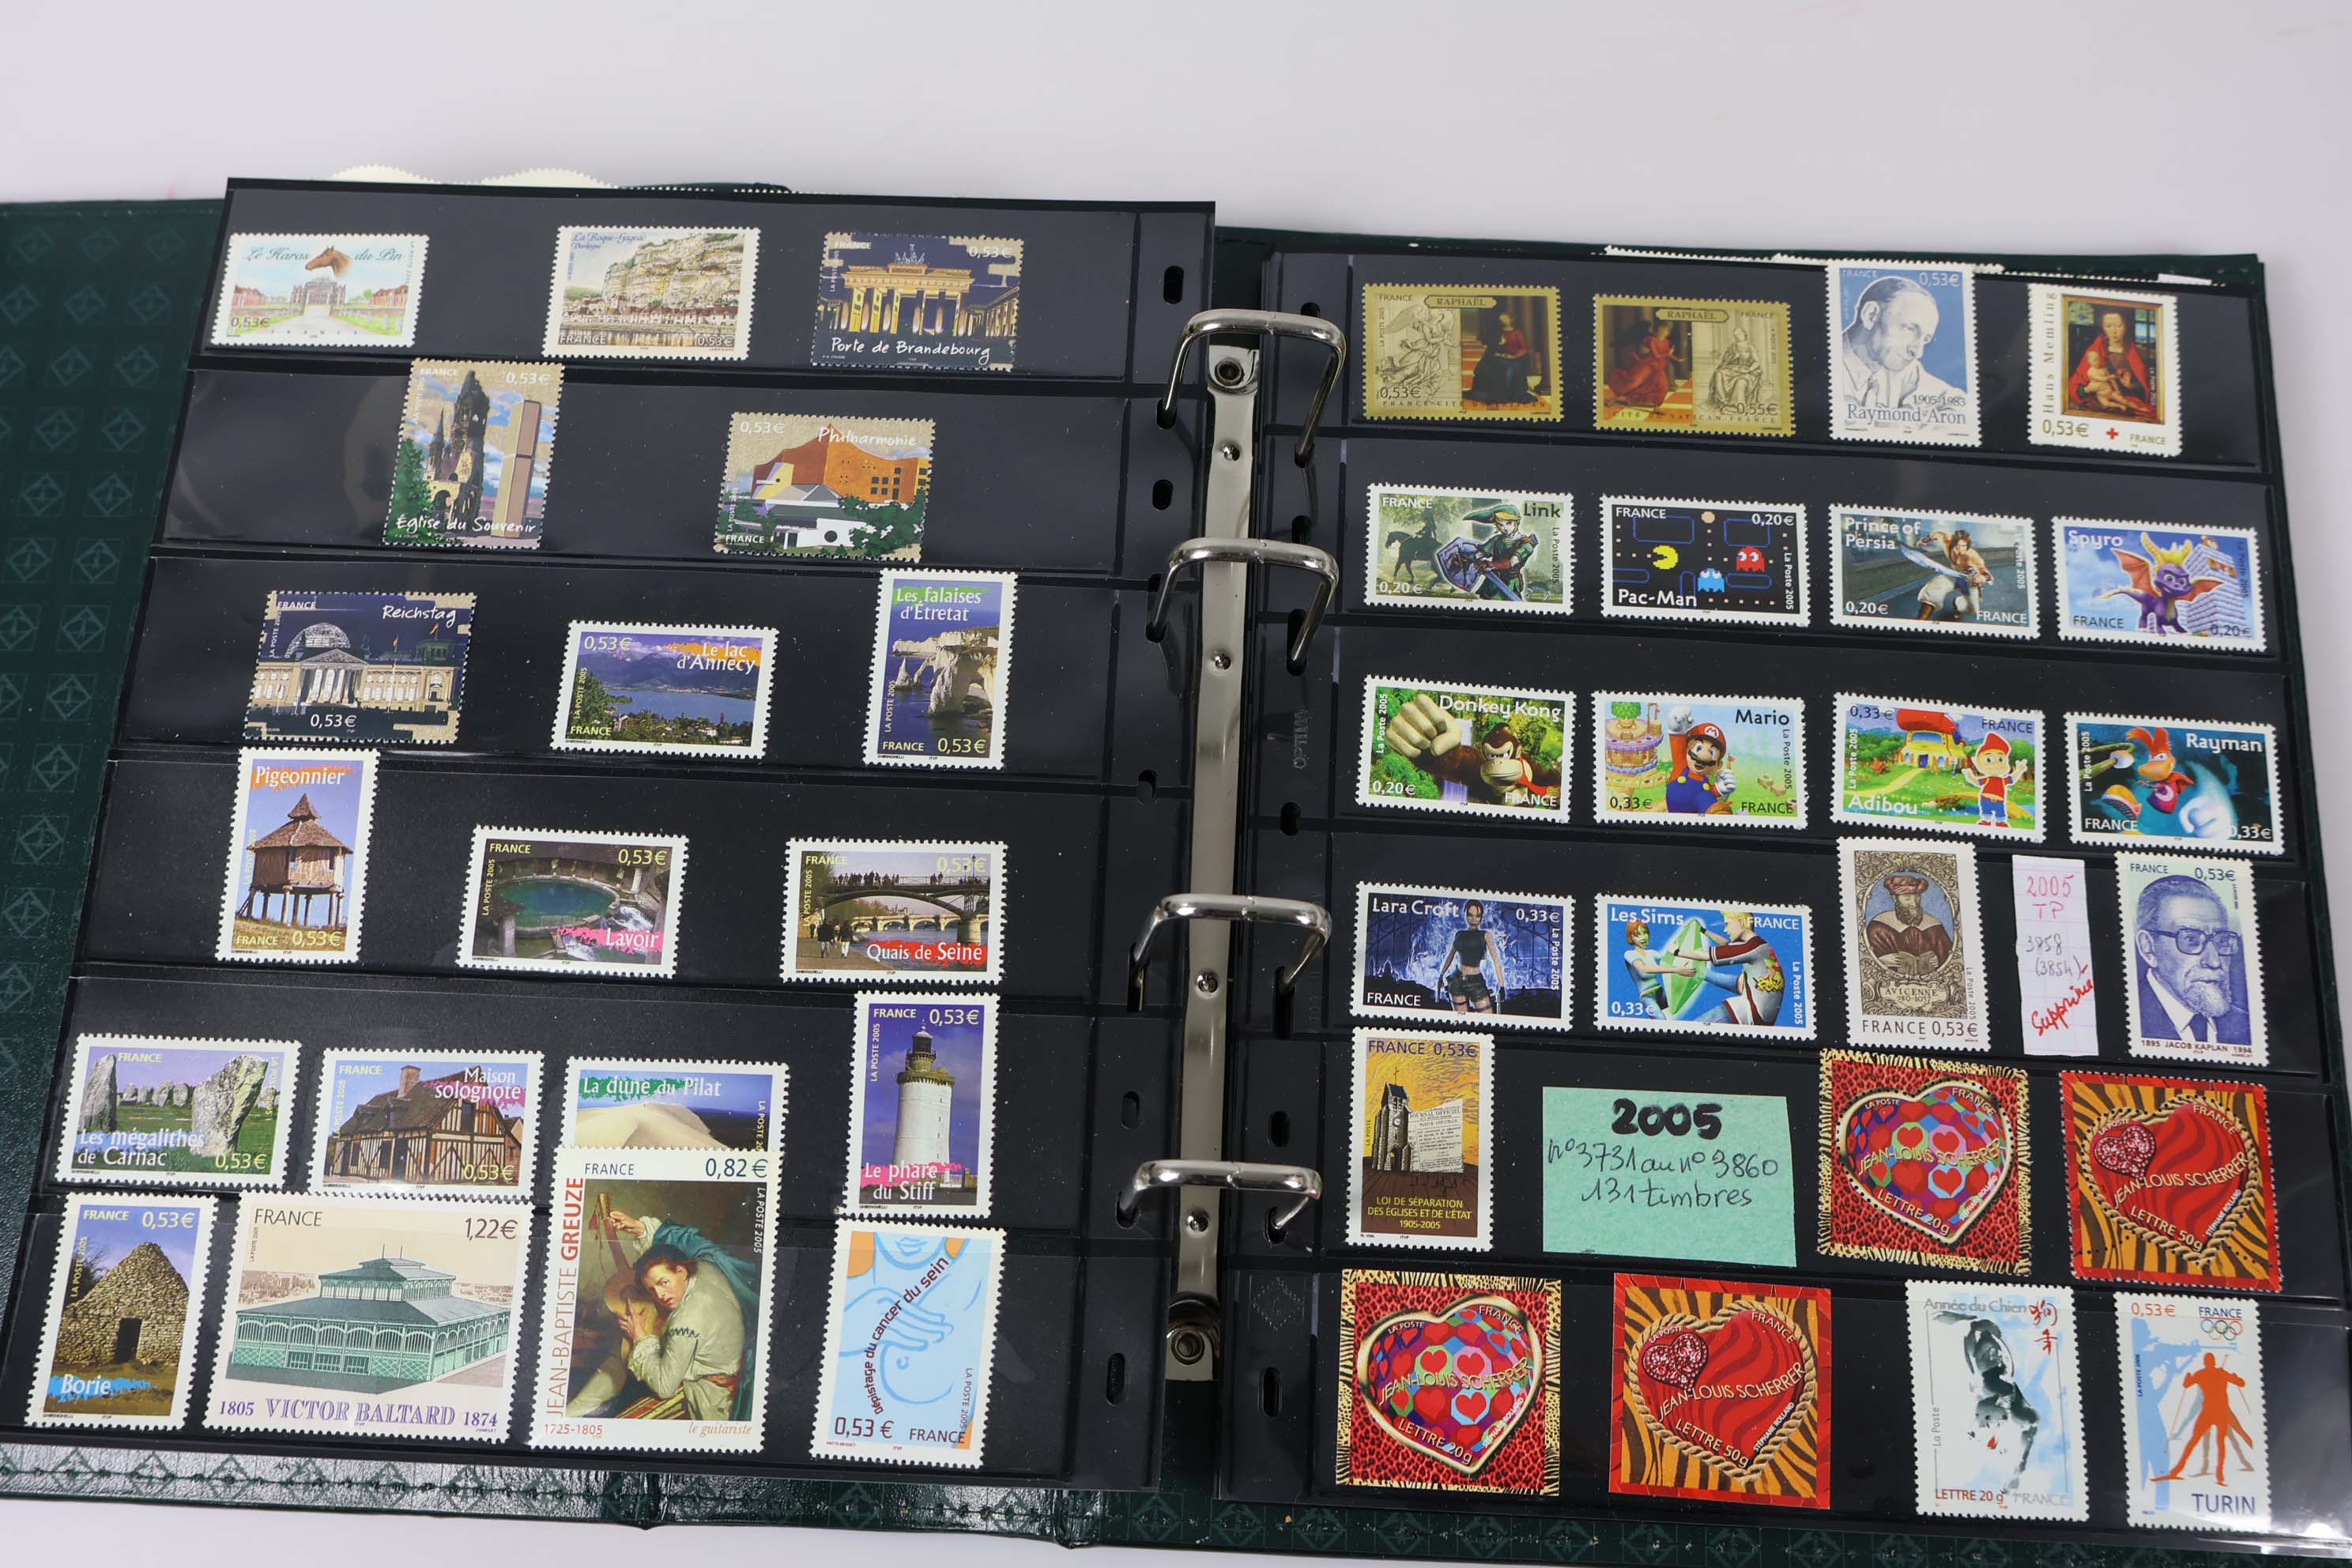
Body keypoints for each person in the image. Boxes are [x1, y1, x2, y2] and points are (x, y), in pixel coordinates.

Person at [565, 1208, 757, 1423]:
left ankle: (573, 1418)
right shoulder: (706, 1264)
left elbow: (665, 1387)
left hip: (711, 1392)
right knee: (624, 1347)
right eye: (652, 1289)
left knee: (627, 1420)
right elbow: (691, 1241)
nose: (660, 1295)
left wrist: (640, 1338)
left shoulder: (685, 1321)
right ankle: (572, 1412)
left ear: (681, 1272)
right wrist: (642, 1228)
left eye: (663, 1283)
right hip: (705, 1348)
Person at [2134, 874, 2252, 1048]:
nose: (2214, 961)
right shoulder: (2129, 1019)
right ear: (2149, 948)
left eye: (2221, 940)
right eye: (2191, 940)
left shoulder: (2247, 1024)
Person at [1934, 1310, 2041, 1489]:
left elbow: (2027, 1425)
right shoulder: (1994, 1386)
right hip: (1992, 1383)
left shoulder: (1994, 1390)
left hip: (1993, 1386)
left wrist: (2018, 1469)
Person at [1838, 273, 1960, 410]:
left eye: (1926, 339)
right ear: (1871, 315)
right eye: (1909, 329)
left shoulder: (1905, 370)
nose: (1918, 353)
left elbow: (1960, 403)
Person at [2156, 1351, 2255, 1486]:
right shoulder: (2221, 1373)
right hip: (2221, 1412)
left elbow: (2186, 1384)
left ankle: (2177, 1471)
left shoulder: (2201, 1374)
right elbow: (2241, 1383)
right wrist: (2235, 1377)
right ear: (2213, 1362)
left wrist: (2188, 1377)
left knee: (2194, 1441)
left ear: (2205, 1363)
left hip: (2208, 1412)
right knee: (2220, 1443)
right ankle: (2219, 1476)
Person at [1690, 910, 1785, 1027]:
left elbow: (1707, 956)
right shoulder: (1759, 944)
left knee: (1696, 1026)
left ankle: (1698, 971)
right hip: (1758, 996)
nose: (1726, 930)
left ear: (1740, 922)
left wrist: (1677, 952)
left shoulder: (1752, 947)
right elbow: (1727, 945)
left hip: (1753, 1014)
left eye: (1728, 924)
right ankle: (1701, 972)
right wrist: (1703, 930)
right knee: (1736, 980)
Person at [2067, 307, 2156, 418]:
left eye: (2119, 326)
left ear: (2126, 326)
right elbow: (2075, 384)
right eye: (2108, 326)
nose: (2114, 331)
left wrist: (2131, 386)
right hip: (2099, 399)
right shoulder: (2095, 352)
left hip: (2124, 398)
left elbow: (2147, 387)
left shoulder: (2136, 353)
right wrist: (2086, 390)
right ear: (2103, 328)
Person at [1868, 871, 1954, 974]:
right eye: (1907, 899)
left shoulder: (1934, 926)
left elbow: (1950, 957)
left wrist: (1939, 960)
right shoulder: (1878, 927)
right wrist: (1881, 961)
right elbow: (1866, 959)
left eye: (1917, 898)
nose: (1914, 904)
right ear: (1895, 899)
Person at [1618, 918, 1696, 1020]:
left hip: (1661, 993)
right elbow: (1644, 969)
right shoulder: (1629, 954)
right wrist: (1676, 970)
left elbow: (1669, 956)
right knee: (1661, 1021)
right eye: (1638, 934)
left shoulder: (1652, 953)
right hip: (1647, 997)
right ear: (1631, 937)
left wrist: (1687, 931)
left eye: (1645, 933)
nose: (1643, 938)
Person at [1436, 899, 1504, 1013]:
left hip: (1476, 982)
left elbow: (1496, 961)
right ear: (1465, 915)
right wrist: (1441, 975)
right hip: (1456, 980)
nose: (1473, 920)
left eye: (1478, 916)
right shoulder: (1459, 934)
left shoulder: (1485, 935)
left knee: (1486, 1019)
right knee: (1461, 1019)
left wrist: (1502, 986)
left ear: (1481, 917)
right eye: (1470, 915)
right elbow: (1450, 956)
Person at [1916, 526, 1992, 622]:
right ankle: (1920, 622)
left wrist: (1983, 577)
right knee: (1932, 590)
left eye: (1964, 546)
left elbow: (1985, 572)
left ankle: (1957, 604)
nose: (1961, 550)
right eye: (1958, 546)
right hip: (1954, 575)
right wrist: (1925, 540)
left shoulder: (1972, 555)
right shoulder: (1948, 541)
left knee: (1972, 609)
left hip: (1970, 579)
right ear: (1953, 543)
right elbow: (1937, 534)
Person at [1467, 307, 1539, 405]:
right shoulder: (1498, 332)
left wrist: (1513, 357)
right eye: (1502, 319)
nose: (1503, 321)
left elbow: (1524, 349)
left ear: (1511, 320)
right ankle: (1494, 392)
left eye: (1505, 319)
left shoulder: (1517, 333)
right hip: (1500, 357)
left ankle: (1507, 395)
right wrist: (1499, 347)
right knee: (1488, 367)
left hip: (1516, 358)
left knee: (1509, 370)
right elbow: (1492, 346)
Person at [1605, 316, 1679, 409]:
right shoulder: (1651, 340)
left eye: (1666, 330)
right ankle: (1615, 399)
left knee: (1663, 387)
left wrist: (1677, 359)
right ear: (1658, 330)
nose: (1664, 332)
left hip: (1659, 368)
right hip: (1648, 365)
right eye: (1662, 330)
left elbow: (1668, 354)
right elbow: (1657, 356)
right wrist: (1668, 354)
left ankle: (1655, 405)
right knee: (1634, 383)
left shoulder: (1667, 342)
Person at [1707, 324, 1766, 413]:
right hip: (1733, 370)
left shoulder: (1750, 348)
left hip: (1747, 371)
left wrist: (1749, 369)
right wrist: (1733, 357)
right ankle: (1723, 401)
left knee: (1741, 381)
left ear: (1744, 334)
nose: (1737, 336)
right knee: (1719, 374)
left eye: (1739, 334)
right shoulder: (1732, 347)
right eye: (1735, 335)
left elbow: (1756, 362)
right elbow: (1725, 361)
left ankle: (1737, 405)